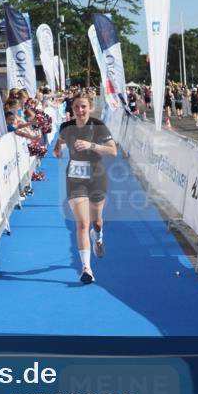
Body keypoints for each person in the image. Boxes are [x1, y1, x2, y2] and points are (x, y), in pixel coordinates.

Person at [52, 93, 117, 285]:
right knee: (82, 223)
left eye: (84, 107)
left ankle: (98, 236)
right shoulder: (66, 127)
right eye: (76, 107)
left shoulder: (98, 126)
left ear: (90, 108)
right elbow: (60, 141)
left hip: (97, 177)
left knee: (96, 221)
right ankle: (86, 268)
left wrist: (92, 145)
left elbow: (113, 151)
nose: (80, 110)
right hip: (75, 178)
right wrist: (58, 149)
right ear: (72, 109)